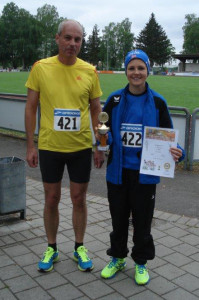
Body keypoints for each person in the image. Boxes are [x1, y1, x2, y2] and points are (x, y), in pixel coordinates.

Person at [97, 49, 185, 285]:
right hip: (118, 172)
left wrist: (179, 152)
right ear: (126, 71)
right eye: (131, 68)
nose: (136, 73)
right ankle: (117, 257)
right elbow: (106, 133)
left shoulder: (158, 102)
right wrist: (103, 139)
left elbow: (168, 137)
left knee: (143, 221)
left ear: (147, 71)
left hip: (145, 174)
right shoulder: (115, 99)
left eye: (140, 68)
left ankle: (141, 263)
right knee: (118, 218)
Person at [25, 19, 104, 272]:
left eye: (77, 39)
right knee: (51, 198)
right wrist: (30, 145)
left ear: (81, 42)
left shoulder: (90, 71)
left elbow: (96, 111)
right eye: (68, 38)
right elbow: (31, 107)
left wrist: (99, 145)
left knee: (78, 198)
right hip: (50, 147)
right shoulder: (41, 68)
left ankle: (79, 246)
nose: (72, 43)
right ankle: (51, 247)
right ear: (57, 38)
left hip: (80, 147)